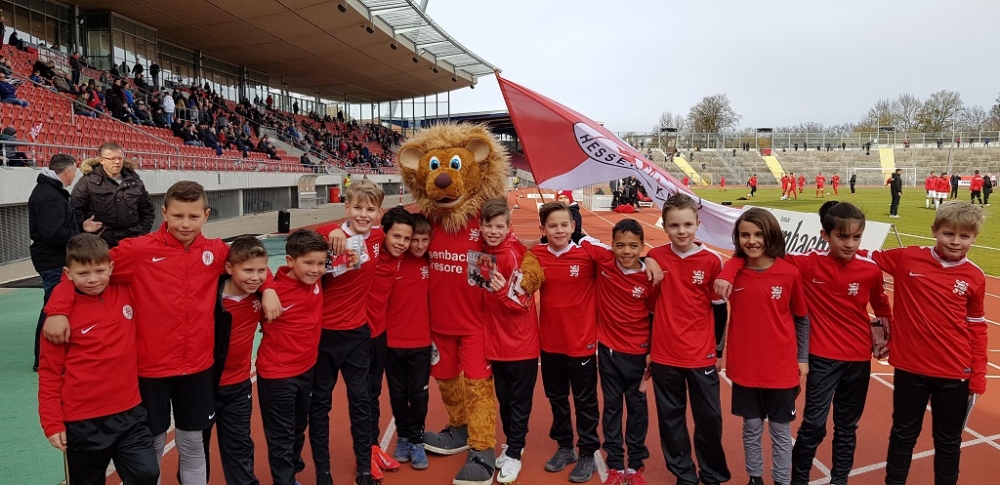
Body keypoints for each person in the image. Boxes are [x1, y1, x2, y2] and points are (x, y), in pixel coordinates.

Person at [43, 181, 282, 485]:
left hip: (197, 368)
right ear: (164, 212)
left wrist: (269, 288)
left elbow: (251, 265)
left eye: (193, 216)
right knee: (154, 445)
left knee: (192, 443)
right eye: (178, 215)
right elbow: (87, 268)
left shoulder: (215, 251)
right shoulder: (139, 250)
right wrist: (58, 309)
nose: (185, 224)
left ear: (206, 215)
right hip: (149, 370)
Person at [716, 202, 893, 485]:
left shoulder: (869, 270)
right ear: (825, 235)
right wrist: (727, 272)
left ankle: (839, 480)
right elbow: (753, 254)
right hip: (821, 357)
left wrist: (887, 336)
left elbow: (882, 307)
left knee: (847, 427)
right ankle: (797, 480)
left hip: (858, 358)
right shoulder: (805, 264)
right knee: (813, 425)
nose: (849, 244)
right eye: (842, 237)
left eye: (856, 237)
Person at [866, 202, 987, 485]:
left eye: (964, 236)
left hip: (954, 372)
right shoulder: (907, 258)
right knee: (903, 434)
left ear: (974, 237)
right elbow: (863, 256)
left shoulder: (975, 276)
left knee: (948, 440)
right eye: (948, 233)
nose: (955, 241)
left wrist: (978, 376)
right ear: (934, 231)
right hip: (910, 369)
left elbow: (977, 328)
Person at [37, 233, 159, 485]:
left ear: (111, 268)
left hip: (130, 413)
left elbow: (152, 259)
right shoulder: (58, 321)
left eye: (100, 271)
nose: (93, 279)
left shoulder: (125, 290)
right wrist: (52, 422)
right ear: (68, 274)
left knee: (147, 472)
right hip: (83, 421)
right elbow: (50, 372)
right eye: (83, 274)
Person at [647, 194, 730, 485]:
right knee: (671, 418)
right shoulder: (656, 257)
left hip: (701, 354)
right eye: (674, 225)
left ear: (698, 224)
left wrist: (718, 350)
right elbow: (650, 309)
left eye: (687, 225)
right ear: (664, 226)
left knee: (709, 418)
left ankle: (712, 474)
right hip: (665, 353)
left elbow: (719, 310)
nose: (681, 231)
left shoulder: (712, 260)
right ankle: (684, 475)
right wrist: (646, 259)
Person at [724, 208, 810, 485]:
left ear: (771, 235)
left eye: (759, 234)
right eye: (745, 235)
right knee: (750, 428)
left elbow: (802, 318)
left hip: (780, 369)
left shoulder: (788, 273)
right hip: (745, 367)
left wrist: (802, 358)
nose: (752, 241)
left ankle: (782, 480)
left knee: (780, 431)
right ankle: (755, 478)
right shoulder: (733, 274)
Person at [311, 179, 387, 485]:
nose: (363, 214)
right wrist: (329, 231)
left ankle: (364, 468)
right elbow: (300, 243)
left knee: (361, 401)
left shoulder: (378, 237)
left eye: (370, 209)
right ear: (346, 207)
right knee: (320, 405)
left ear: (379, 213)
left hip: (357, 334)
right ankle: (323, 472)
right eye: (358, 207)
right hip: (324, 336)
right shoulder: (331, 237)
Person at [579, 219, 658, 485]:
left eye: (633, 246)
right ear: (611, 245)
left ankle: (635, 465)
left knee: (637, 409)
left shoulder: (650, 277)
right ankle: (614, 464)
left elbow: (654, 315)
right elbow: (581, 238)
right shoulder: (604, 259)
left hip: (639, 354)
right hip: (609, 352)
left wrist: (652, 350)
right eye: (620, 245)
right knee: (612, 408)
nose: (626, 251)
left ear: (642, 246)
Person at [531, 201, 601, 483]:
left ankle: (588, 453)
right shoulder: (536, 255)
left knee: (585, 401)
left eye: (564, 225)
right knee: (557, 398)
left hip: (581, 343)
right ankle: (565, 447)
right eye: (552, 226)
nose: (559, 230)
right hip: (550, 342)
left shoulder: (587, 254)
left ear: (573, 226)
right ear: (543, 230)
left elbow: (621, 257)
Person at [256, 230, 328, 485]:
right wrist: (267, 288)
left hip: (306, 369)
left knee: (298, 427)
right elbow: (244, 266)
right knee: (281, 435)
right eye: (308, 263)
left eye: (321, 263)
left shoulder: (316, 280)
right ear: (289, 261)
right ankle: (284, 480)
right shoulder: (273, 291)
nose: (315, 270)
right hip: (277, 375)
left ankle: (291, 470)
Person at [479, 199, 540, 484]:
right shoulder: (483, 253)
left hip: (520, 345)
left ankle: (515, 452)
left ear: (509, 227)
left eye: (499, 226)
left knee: (519, 402)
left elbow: (523, 302)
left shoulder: (514, 255)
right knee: (504, 400)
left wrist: (503, 291)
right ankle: (513, 444)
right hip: (497, 344)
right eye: (488, 225)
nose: (493, 231)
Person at [28, 154, 100, 371]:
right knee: (53, 308)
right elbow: (53, 232)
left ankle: (49, 355)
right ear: (67, 171)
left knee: (55, 306)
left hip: (52, 257)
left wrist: (81, 227)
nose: (74, 176)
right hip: (52, 259)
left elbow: (57, 225)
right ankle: (43, 358)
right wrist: (79, 236)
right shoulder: (50, 195)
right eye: (74, 172)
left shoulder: (51, 191)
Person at [206, 236, 268, 485]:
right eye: (248, 270)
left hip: (238, 386)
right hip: (203, 386)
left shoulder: (260, 297)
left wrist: (269, 290)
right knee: (197, 448)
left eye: (261, 271)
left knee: (240, 445)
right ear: (230, 268)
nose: (255, 277)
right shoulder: (209, 297)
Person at [365, 207, 414, 475]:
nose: (401, 243)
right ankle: (364, 453)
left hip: (379, 334)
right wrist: (332, 231)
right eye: (396, 236)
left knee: (372, 394)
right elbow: (325, 235)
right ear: (383, 233)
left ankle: (372, 447)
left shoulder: (403, 256)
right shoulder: (369, 249)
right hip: (356, 335)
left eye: (406, 239)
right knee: (360, 397)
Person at [385, 214, 433, 470]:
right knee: (398, 393)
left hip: (421, 343)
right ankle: (403, 437)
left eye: (425, 240)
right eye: (414, 240)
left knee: (419, 394)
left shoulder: (430, 262)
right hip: (392, 343)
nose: (419, 245)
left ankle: (417, 440)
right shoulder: (392, 261)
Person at [71, 143, 155, 248]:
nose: (117, 162)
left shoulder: (135, 182)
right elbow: (74, 212)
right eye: (112, 159)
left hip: (132, 243)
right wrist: (82, 226)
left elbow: (148, 212)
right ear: (102, 160)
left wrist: (141, 233)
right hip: (100, 244)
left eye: (120, 158)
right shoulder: (87, 182)